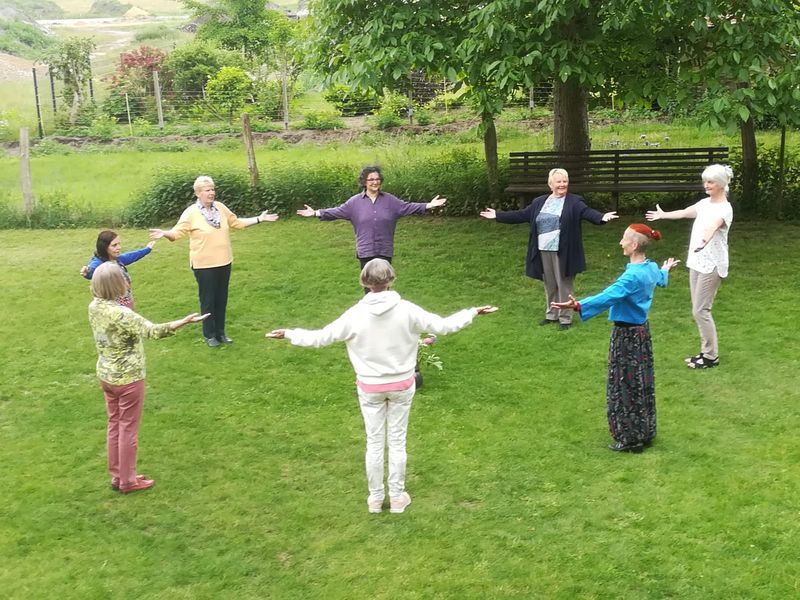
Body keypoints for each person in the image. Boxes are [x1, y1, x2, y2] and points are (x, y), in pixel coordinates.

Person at [266, 259, 497, 514]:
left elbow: (320, 338)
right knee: (397, 441)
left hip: (370, 388)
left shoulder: (355, 314)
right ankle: (397, 498)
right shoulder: (407, 310)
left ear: (364, 282)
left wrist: (289, 333)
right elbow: (443, 326)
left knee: (374, 442)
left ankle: (375, 499)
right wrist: (472, 312)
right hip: (402, 385)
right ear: (391, 280)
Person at [552, 224, 679, 453]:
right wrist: (666, 269)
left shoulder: (631, 277)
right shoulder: (650, 268)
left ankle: (630, 439)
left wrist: (578, 305)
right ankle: (644, 431)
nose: (620, 242)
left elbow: (607, 297)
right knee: (641, 381)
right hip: (642, 334)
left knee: (625, 384)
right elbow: (661, 279)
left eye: (623, 239)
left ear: (634, 245)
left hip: (626, 337)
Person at [88, 262, 208, 493]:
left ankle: (118, 476)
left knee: (114, 424)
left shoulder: (94, 306)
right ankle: (128, 481)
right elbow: (153, 331)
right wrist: (183, 322)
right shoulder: (121, 314)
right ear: (117, 284)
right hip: (128, 379)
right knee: (128, 428)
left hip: (106, 375)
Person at [149, 175, 279, 348]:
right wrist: (165, 233)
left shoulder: (220, 208)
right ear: (198, 193)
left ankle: (221, 333)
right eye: (207, 190)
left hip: (224, 261)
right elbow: (176, 233)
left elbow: (237, 223)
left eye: (212, 189)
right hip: (204, 265)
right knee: (208, 300)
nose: (211, 193)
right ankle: (210, 335)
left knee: (221, 299)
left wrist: (259, 219)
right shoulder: (191, 213)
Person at [480, 168, 617, 330]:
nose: (562, 184)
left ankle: (565, 318)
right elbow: (521, 215)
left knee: (564, 284)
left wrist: (601, 217)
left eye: (565, 181)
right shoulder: (540, 201)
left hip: (563, 251)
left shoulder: (574, 201)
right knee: (550, 284)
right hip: (543, 249)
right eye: (559, 181)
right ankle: (551, 315)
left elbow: (587, 212)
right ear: (550, 184)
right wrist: (498, 215)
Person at [296, 166, 447, 287]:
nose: (375, 182)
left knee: (384, 287)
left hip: (384, 250)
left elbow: (408, 207)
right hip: (366, 251)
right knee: (369, 288)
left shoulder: (390, 201)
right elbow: (336, 211)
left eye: (377, 179)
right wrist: (315, 213)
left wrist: (429, 205)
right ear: (364, 182)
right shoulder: (354, 202)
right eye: (371, 179)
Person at [645, 164, 734, 369]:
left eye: (710, 182)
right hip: (696, 262)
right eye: (705, 181)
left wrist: (704, 241)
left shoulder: (725, 209)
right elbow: (685, 212)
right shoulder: (704, 203)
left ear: (721, 184)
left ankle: (710, 357)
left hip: (712, 264)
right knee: (698, 310)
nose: (706, 185)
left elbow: (713, 226)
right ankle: (705, 353)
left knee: (701, 310)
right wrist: (663, 215)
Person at [80, 230, 155, 309]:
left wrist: (147, 249)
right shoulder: (99, 263)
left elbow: (131, 256)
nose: (119, 247)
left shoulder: (117, 258)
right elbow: (93, 271)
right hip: (113, 308)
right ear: (104, 247)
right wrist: (87, 273)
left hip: (127, 304)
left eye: (119, 244)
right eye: (114, 245)